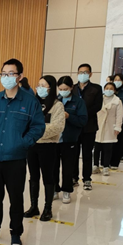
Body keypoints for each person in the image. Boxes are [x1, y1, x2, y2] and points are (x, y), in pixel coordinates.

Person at [0, 58, 45, 245]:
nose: (6, 77)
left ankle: (16, 233)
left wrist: (23, 143)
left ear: (19, 76)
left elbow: (38, 127)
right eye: (3, 74)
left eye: (11, 74)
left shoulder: (30, 102)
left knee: (16, 198)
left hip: (16, 159)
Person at [24, 75, 65, 222]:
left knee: (48, 177)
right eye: (38, 85)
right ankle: (34, 206)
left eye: (43, 85)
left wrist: (36, 131)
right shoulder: (32, 103)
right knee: (33, 177)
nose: (39, 88)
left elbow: (57, 127)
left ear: (51, 88)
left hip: (48, 146)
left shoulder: (57, 105)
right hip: (32, 145)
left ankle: (48, 208)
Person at [54, 76, 87, 204]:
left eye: (65, 89)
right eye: (60, 89)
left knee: (68, 167)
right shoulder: (55, 100)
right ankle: (55, 189)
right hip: (54, 139)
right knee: (53, 166)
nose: (63, 91)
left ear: (71, 87)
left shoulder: (78, 102)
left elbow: (82, 121)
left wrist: (69, 117)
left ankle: (67, 190)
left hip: (70, 139)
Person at [72, 63, 103, 191]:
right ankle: (74, 177)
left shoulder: (96, 88)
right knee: (73, 154)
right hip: (74, 126)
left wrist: (83, 114)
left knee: (87, 154)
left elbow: (98, 106)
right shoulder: (73, 88)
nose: (82, 74)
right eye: (80, 72)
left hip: (89, 126)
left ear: (90, 74)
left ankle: (87, 179)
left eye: (85, 72)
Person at [93, 83, 123, 176]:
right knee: (97, 148)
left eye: (111, 88)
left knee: (108, 148)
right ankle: (95, 165)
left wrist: (118, 127)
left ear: (114, 90)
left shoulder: (117, 101)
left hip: (110, 127)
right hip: (98, 125)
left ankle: (106, 166)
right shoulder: (99, 99)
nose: (108, 90)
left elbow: (119, 115)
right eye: (107, 88)